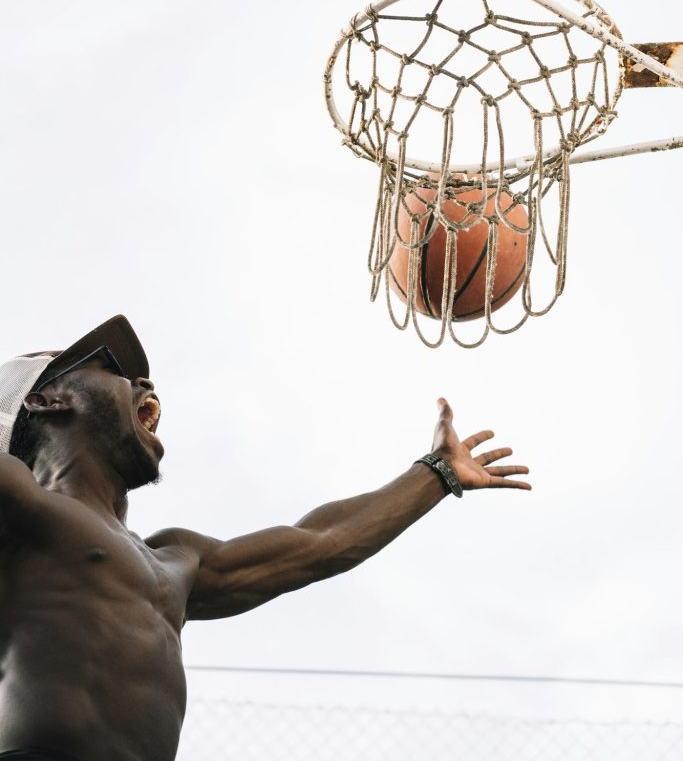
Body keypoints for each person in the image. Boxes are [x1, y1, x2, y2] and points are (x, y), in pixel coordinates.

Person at [0, 315, 531, 761]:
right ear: (48, 401)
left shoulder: (176, 558)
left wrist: (436, 472)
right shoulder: (21, 507)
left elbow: (320, 540)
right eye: (109, 370)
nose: (143, 384)